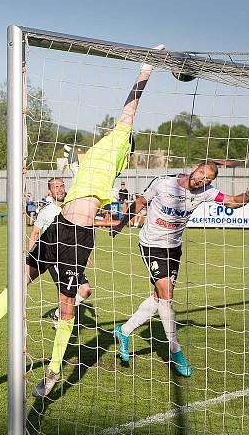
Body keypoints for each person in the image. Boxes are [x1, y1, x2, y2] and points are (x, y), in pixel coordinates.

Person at [28, 47, 164, 399]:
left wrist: (145, 69)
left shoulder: (119, 144)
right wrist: (118, 223)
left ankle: (54, 371)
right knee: (23, 276)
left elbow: (129, 108)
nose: (110, 129)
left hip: (78, 236)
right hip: (60, 225)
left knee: (70, 303)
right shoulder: (97, 158)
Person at [110, 162, 249, 378]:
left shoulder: (206, 192)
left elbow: (232, 203)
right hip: (152, 244)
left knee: (158, 297)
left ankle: (124, 331)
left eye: (208, 179)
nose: (202, 179)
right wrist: (120, 224)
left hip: (174, 248)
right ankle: (176, 351)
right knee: (167, 294)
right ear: (195, 168)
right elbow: (141, 202)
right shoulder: (164, 183)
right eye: (201, 173)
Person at [0, 178, 93, 349]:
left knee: (85, 290)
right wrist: (29, 255)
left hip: (69, 256)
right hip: (49, 255)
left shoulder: (72, 207)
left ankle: (56, 315)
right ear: (50, 192)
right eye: (56, 187)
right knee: (19, 284)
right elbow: (35, 234)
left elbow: (81, 231)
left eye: (62, 186)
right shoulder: (47, 212)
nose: (60, 189)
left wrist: (83, 253)